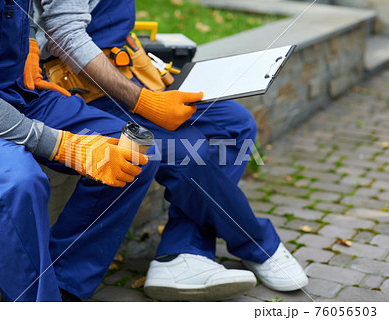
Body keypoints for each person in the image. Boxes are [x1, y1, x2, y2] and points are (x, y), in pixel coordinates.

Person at [34, 0, 309, 301]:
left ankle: (182, 251)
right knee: (185, 148)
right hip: (89, 90)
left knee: (235, 127)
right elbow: (64, 33)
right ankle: (257, 243)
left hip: (130, 75)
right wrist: (143, 102)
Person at [0, 0, 162, 302]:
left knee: (133, 155)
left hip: (19, 91)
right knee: (20, 182)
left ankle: (64, 286)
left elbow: (29, 14)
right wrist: (64, 145)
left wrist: (30, 41)